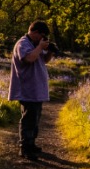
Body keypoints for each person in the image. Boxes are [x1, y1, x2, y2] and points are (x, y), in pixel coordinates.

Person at [8, 20, 55, 160]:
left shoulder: (35, 45)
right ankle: (25, 148)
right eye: (42, 36)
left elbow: (44, 60)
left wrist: (50, 51)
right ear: (34, 32)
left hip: (37, 89)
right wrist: (40, 47)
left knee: (35, 118)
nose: (43, 39)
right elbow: (28, 59)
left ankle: (31, 143)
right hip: (27, 89)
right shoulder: (22, 44)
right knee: (28, 119)